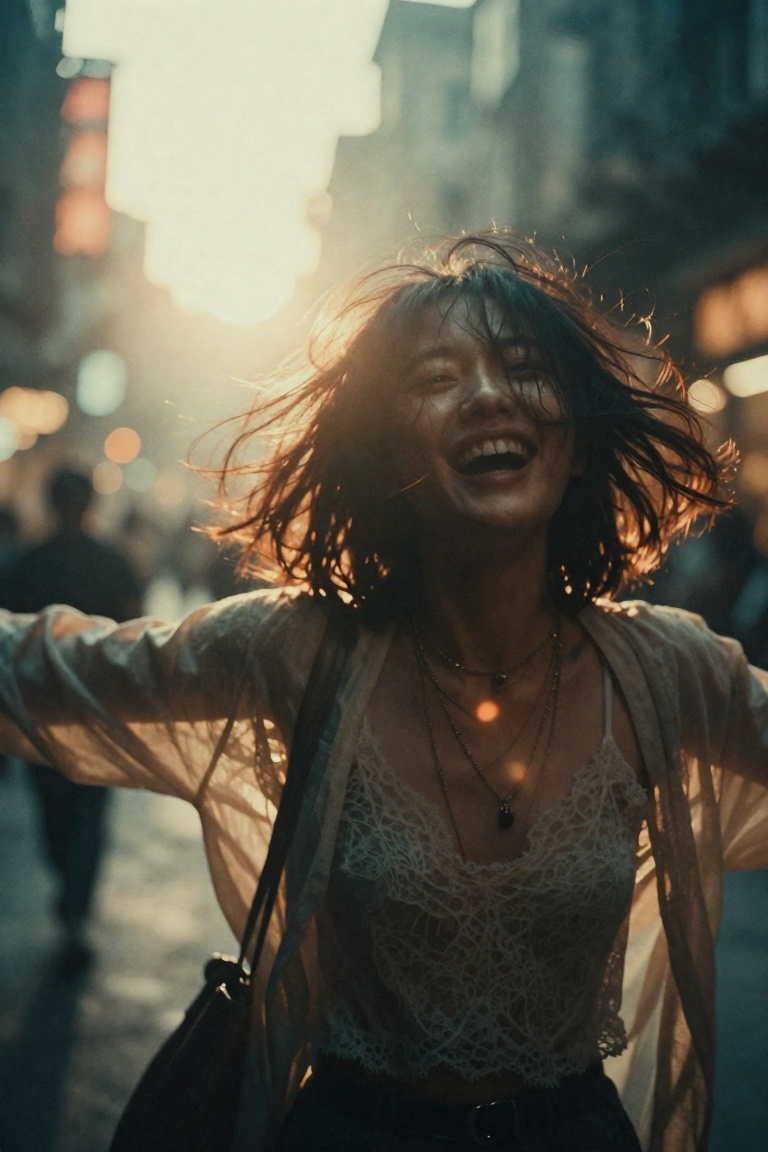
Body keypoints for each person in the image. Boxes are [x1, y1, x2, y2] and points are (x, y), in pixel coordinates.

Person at [0, 232, 765, 1152]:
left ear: (577, 438)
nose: (486, 395)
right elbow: (38, 670)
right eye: (436, 377)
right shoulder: (297, 650)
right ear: (382, 452)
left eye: (522, 368)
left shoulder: (669, 671)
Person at [3, 466, 143, 968]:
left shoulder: (28, 563)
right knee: (85, 816)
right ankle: (74, 909)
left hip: (43, 712)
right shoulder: (112, 562)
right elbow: (135, 631)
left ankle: (71, 901)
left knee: (56, 814)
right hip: (93, 712)